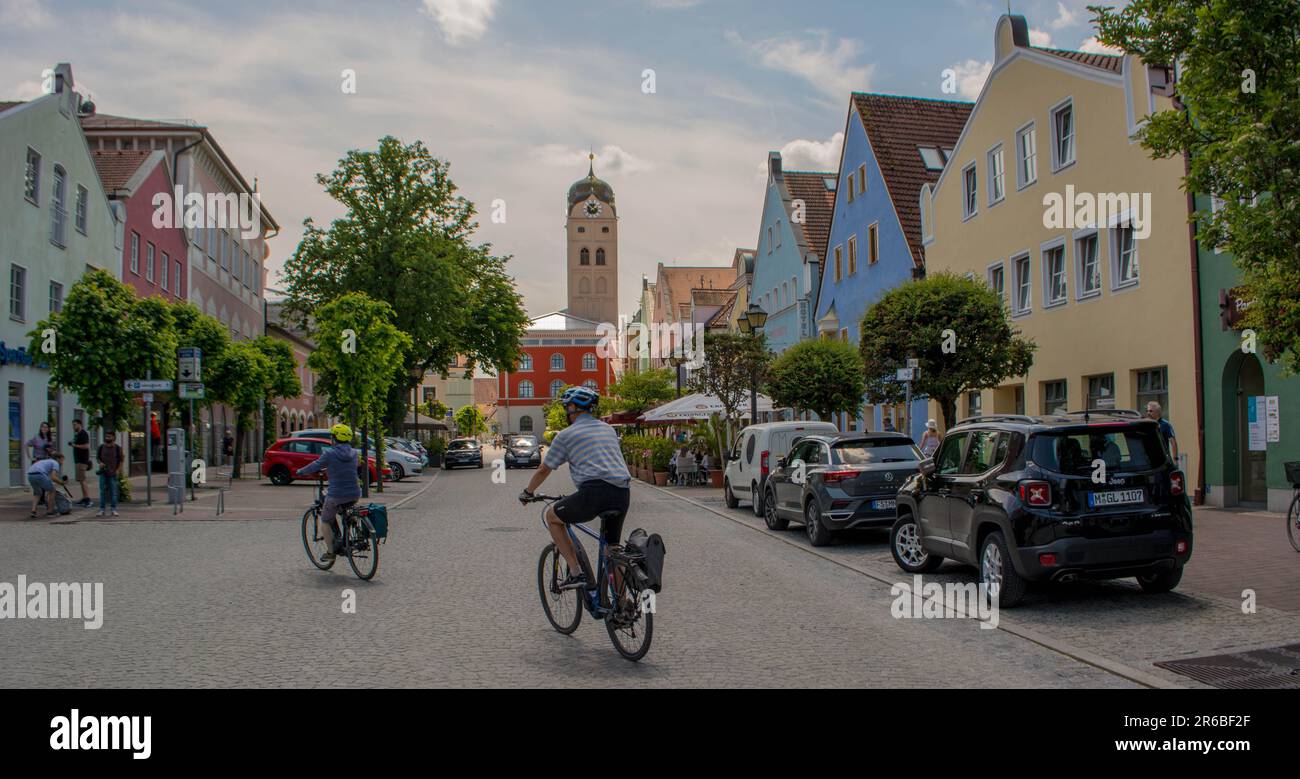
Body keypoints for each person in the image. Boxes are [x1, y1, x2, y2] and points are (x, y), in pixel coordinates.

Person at [519, 386, 631, 590]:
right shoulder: (608, 429)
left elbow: (545, 468)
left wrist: (528, 492)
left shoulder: (566, 435)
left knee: (552, 517)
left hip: (593, 493)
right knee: (611, 548)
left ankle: (575, 572)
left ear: (572, 409)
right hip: (622, 492)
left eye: (566, 407)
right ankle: (621, 606)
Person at [296, 423, 361, 564]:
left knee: (325, 520)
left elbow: (315, 465)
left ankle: (331, 552)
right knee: (344, 508)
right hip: (355, 492)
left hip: (337, 493)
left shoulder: (330, 453)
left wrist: (301, 471)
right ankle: (351, 524)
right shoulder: (355, 453)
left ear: (335, 438)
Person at [27, 452, 66, 518]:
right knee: (52, 490)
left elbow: (48, 477)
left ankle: (33, 511)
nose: (63, 462)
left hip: (30, 474)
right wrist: (61, 482)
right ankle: (50, 511)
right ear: (57, 459)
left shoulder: (45, 461)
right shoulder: (55, 463)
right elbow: (53, 477)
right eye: (62, 460)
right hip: (39, 474)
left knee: (37, 493)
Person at [96, 432, 124, 517]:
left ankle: (113, 509)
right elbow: (98, 458)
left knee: (113, 492)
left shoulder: (117, 448)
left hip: (113, 473)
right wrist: (100, 463)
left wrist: (118, 470)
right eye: (106, 436)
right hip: (103, 473)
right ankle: (102, 510)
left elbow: (121, 460)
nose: (107, 438)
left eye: (109, 436)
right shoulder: (101, 447)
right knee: (102, 492)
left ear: (113, 438)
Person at [69, 418, 92, 506]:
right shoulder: (77, 434)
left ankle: (87, 499)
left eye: (75, 425)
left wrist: (75, 445)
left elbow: (86, 446)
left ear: (79, 424)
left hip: (82, 460)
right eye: (73, 425)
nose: (73, 427)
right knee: (81, 480)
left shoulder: (83, 433)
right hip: (78, 460)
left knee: (83, 480)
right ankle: (84, 497)